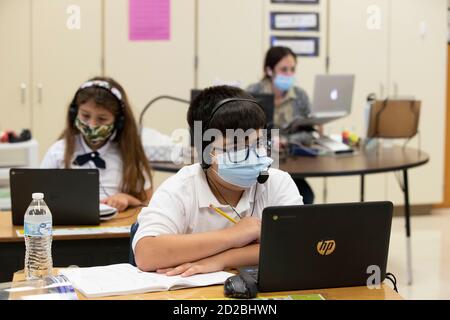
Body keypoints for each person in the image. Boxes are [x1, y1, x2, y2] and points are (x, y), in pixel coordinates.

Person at [133, 85, 303, 276]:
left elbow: (294, 246)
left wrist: (220, 260)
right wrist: (234, 235)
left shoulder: (277, 183)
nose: (250, 154)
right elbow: (146, 254)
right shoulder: (181, 188)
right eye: (235, 146)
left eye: (258, 143)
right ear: (205, 151)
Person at [41, 76, 153, 212]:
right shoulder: (58, 152)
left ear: (119, 122)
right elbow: (37, 199)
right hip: (69, 229)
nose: (92, 124)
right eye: (85, 116)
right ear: (74, 113)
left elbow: (148, 204)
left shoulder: (129, 156)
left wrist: (127, 198)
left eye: (102, 119)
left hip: (116, 230)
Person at [247, 46, 315, 204]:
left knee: (306, 197)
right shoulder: (252, 93)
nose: (289, 74)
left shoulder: (300, 96)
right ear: (269, 70)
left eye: (292, 69)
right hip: (258, 165)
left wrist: (286, 141)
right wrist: (268, 141)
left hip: (292, 164)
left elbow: (310, 133)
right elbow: (244, 131)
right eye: (284, 69)